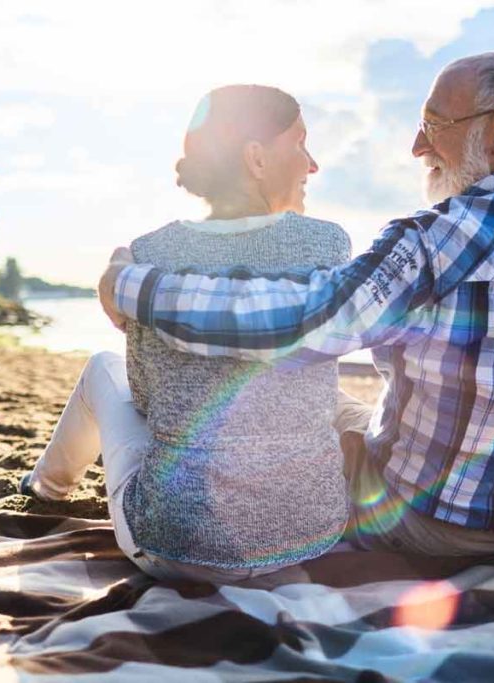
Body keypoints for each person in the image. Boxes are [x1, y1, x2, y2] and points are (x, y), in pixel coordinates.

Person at [102, 52, 494, 558]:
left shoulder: (433, 241)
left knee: (296, 415)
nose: (419, 146)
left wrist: (133, 286)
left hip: (434, 527)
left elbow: (295, 324)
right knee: (335, 409)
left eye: (434, 124)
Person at [23, 85, 352, 582]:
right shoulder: (329, 243)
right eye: (301, 143)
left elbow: (146, 397)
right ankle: (45, 485)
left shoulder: (149, 253)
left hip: (177, 548)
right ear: (256, 159)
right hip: (308, 537)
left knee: (102, 369)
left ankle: (46, 488)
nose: (313, 164)